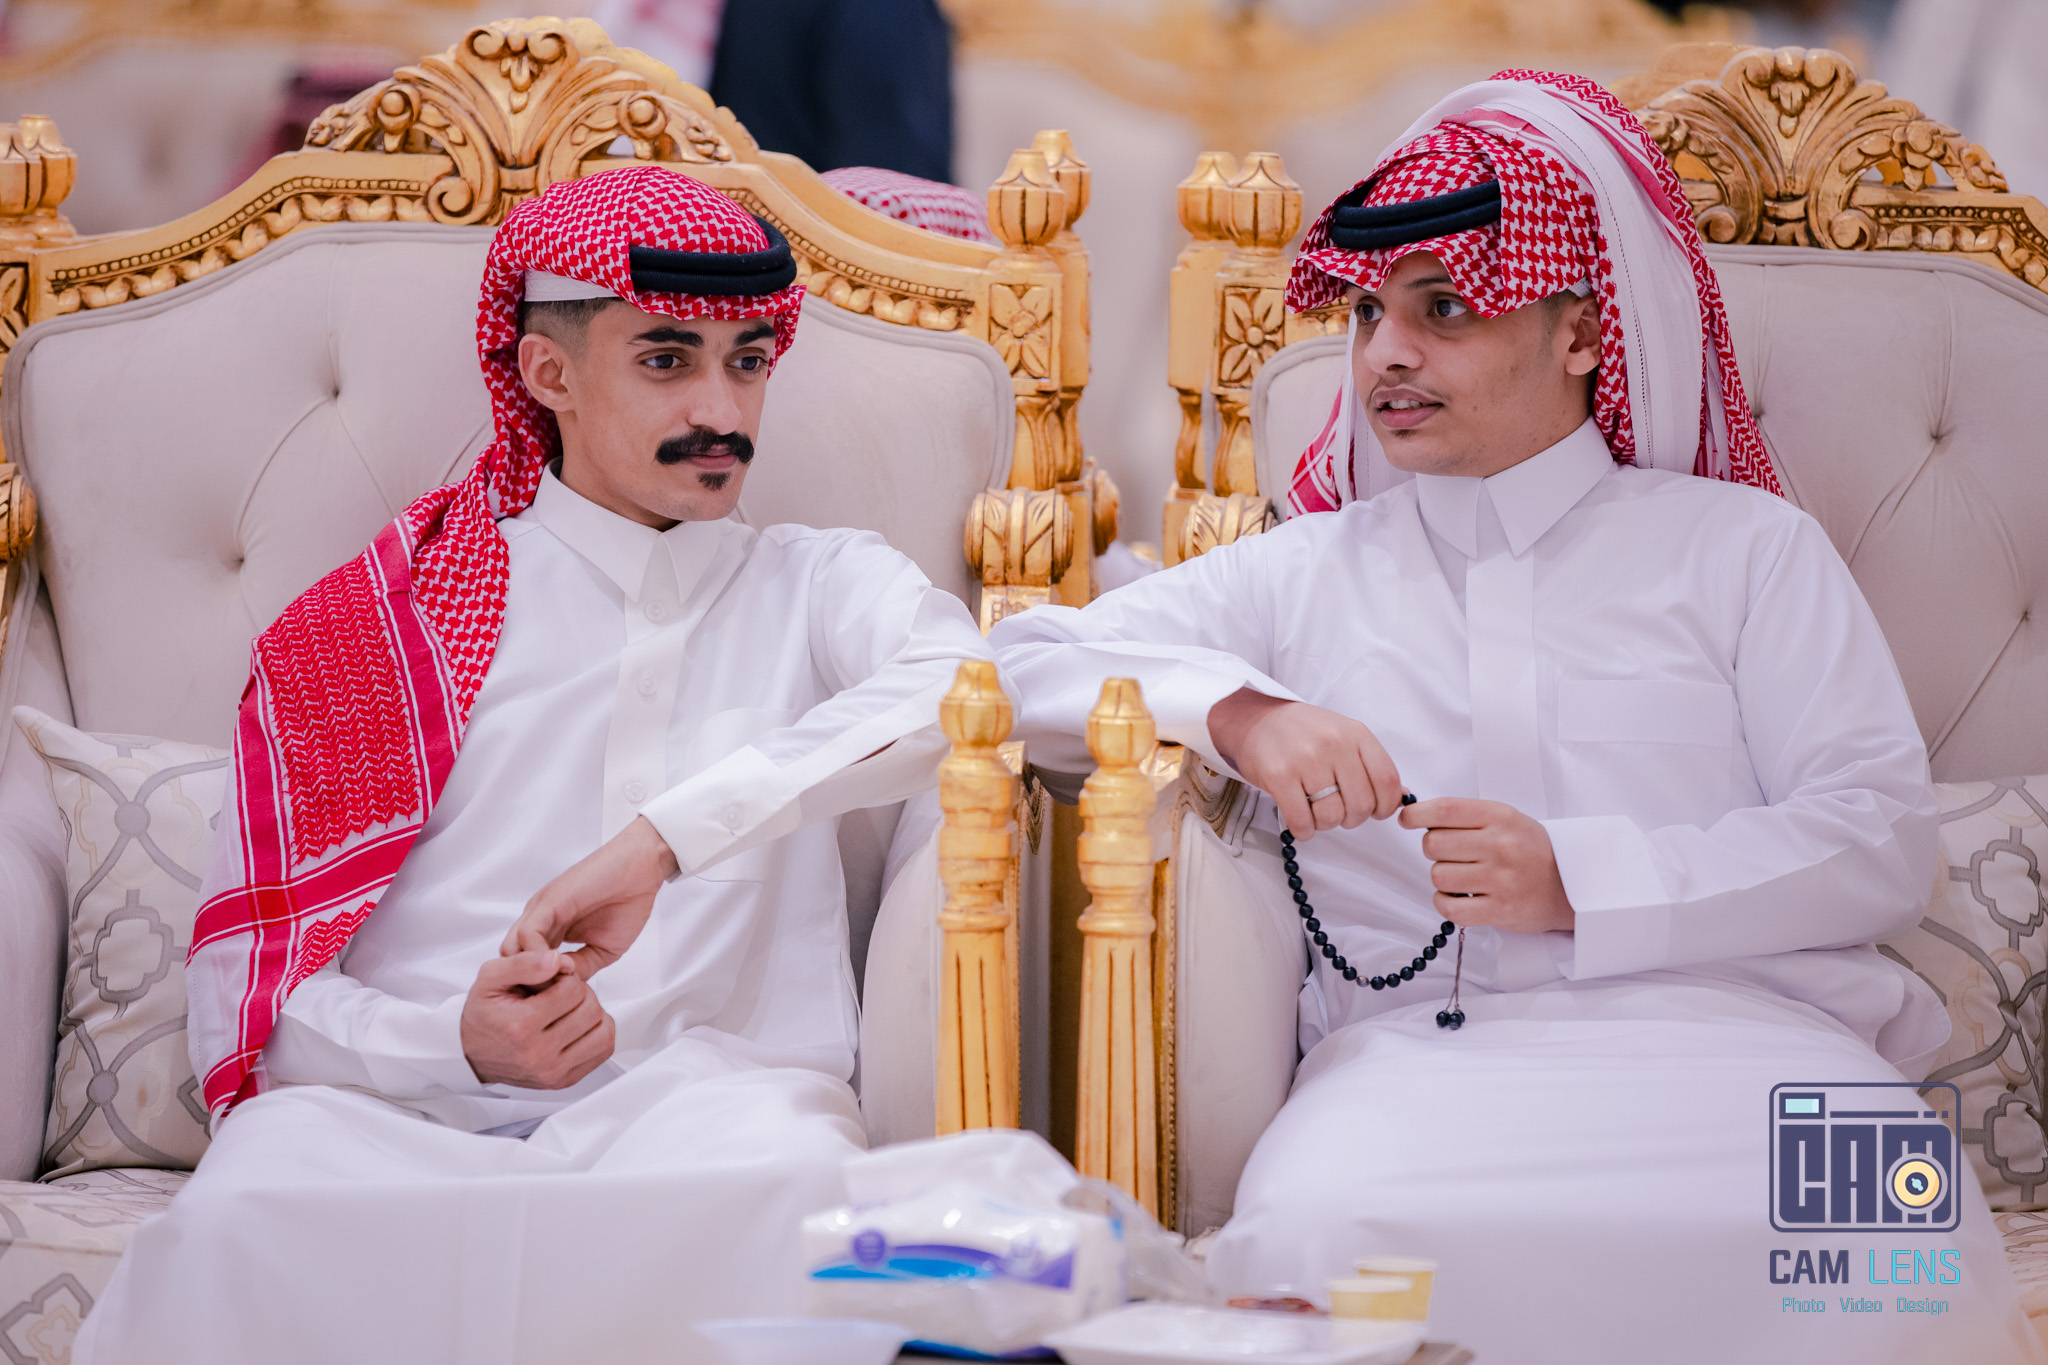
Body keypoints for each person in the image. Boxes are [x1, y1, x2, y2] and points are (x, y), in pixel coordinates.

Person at [991, 72, 2043, 1364]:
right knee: (1319, 1229)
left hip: (1751, 1056)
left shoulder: (1743, 551)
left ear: (1581, 333)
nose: (1385, 355)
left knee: (1889, 1234)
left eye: (1442, 309)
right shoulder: (1307, 571)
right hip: (1415, 1072)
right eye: (1369, 313)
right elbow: (1015, 663)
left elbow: (1873, 837)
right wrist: (1243, 715)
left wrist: (1578, 882)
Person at [74, 165, 991, 1364]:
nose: (721, 409)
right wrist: (449, 1044)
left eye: (748, 361)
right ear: (547, 375)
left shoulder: (816, 584)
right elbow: (246, 997)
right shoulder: (384, 627)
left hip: (711, 1113)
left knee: (794, 1196)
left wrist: (663, 841)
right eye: (666, 359)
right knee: (241, 1222)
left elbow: (966, 691)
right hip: (388, 1117)